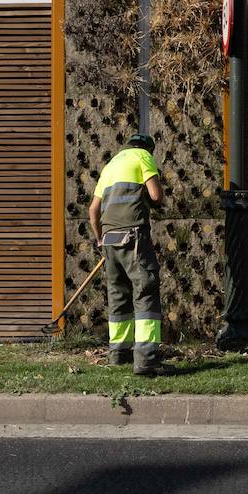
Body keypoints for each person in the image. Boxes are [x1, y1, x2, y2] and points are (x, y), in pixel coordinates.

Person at [88, 133, 168, 376]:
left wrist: (101, 239)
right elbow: (156, 195)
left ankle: (119, 355)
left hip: (110, 240)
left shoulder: (110, 165)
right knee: (145, 291)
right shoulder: (143, 156)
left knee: (118, 295)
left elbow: (93, 210)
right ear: (147, 148)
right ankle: (146, 360)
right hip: (134, 236)